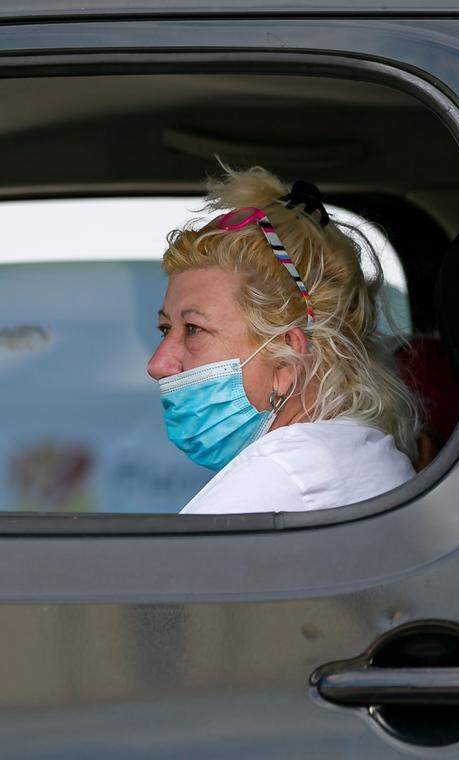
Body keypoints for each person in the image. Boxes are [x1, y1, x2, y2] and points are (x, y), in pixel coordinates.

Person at [146, 167, 418, 514]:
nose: (157, 364)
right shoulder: (358, 454)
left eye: (194, 329)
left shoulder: (280, 479)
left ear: (288, 356)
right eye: (166, 329)